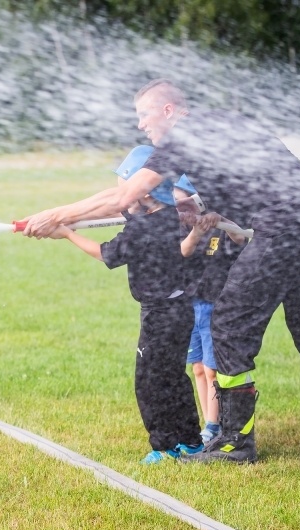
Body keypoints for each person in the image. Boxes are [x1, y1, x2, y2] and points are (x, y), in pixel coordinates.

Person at [21, 79, 300, 464]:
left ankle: (235, 444)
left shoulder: (182, 138)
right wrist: (196, 207)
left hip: (283, 223)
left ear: (168, 111)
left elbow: (124, 197)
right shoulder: (220, 124)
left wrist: (55, 215)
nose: (141, 126)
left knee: (230, 323)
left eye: (143, 115)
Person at [41, 145, 204, 464]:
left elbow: (107, 254)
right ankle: (191, 441)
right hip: (180, 307)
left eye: (126, 185)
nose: (122, 192)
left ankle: (164, 446)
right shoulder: (168, 216)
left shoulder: (143, 227)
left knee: (149, 381)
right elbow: (123, 211)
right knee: (173, 375)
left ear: (145, 191)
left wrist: (67, 234)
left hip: (159, 314)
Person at [174, 175, 247, 444]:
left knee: (212, 369)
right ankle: (208, 425)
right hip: (190, 303)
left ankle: (213, 425)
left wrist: (221, 222)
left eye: (183, 199)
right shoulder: (184, 226)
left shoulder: (220, 221)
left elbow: (240, 237)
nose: (179, 205)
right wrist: (195, 231)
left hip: (214, 304)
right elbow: (182, 252)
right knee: (197, 369)